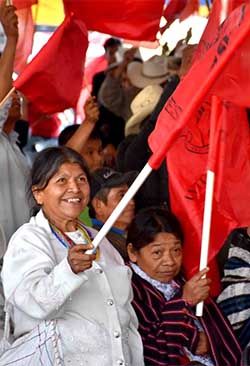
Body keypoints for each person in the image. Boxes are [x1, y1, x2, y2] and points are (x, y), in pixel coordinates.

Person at [0, 146, 144, 366]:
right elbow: (30, 302)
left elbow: (126, 315)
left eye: (81, 179)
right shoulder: (29, 239)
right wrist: (68, 270)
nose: (74, 188)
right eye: (62, 181)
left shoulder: (99, 239)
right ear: (39, 193)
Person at [126, 207, 242, 366]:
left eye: (176, 250)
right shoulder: (129, 290)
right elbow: (149, 351)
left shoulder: (182, 282)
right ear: (133, 252)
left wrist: (211, 339)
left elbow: (219, 334)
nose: (170, 261)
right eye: (157, 253)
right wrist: (183, 301)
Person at [89, 167, 136, 260]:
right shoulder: (99, 245)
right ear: (98, 205)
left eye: (130, 194)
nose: (132, 202)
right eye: (122, 195)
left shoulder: (132, 233)